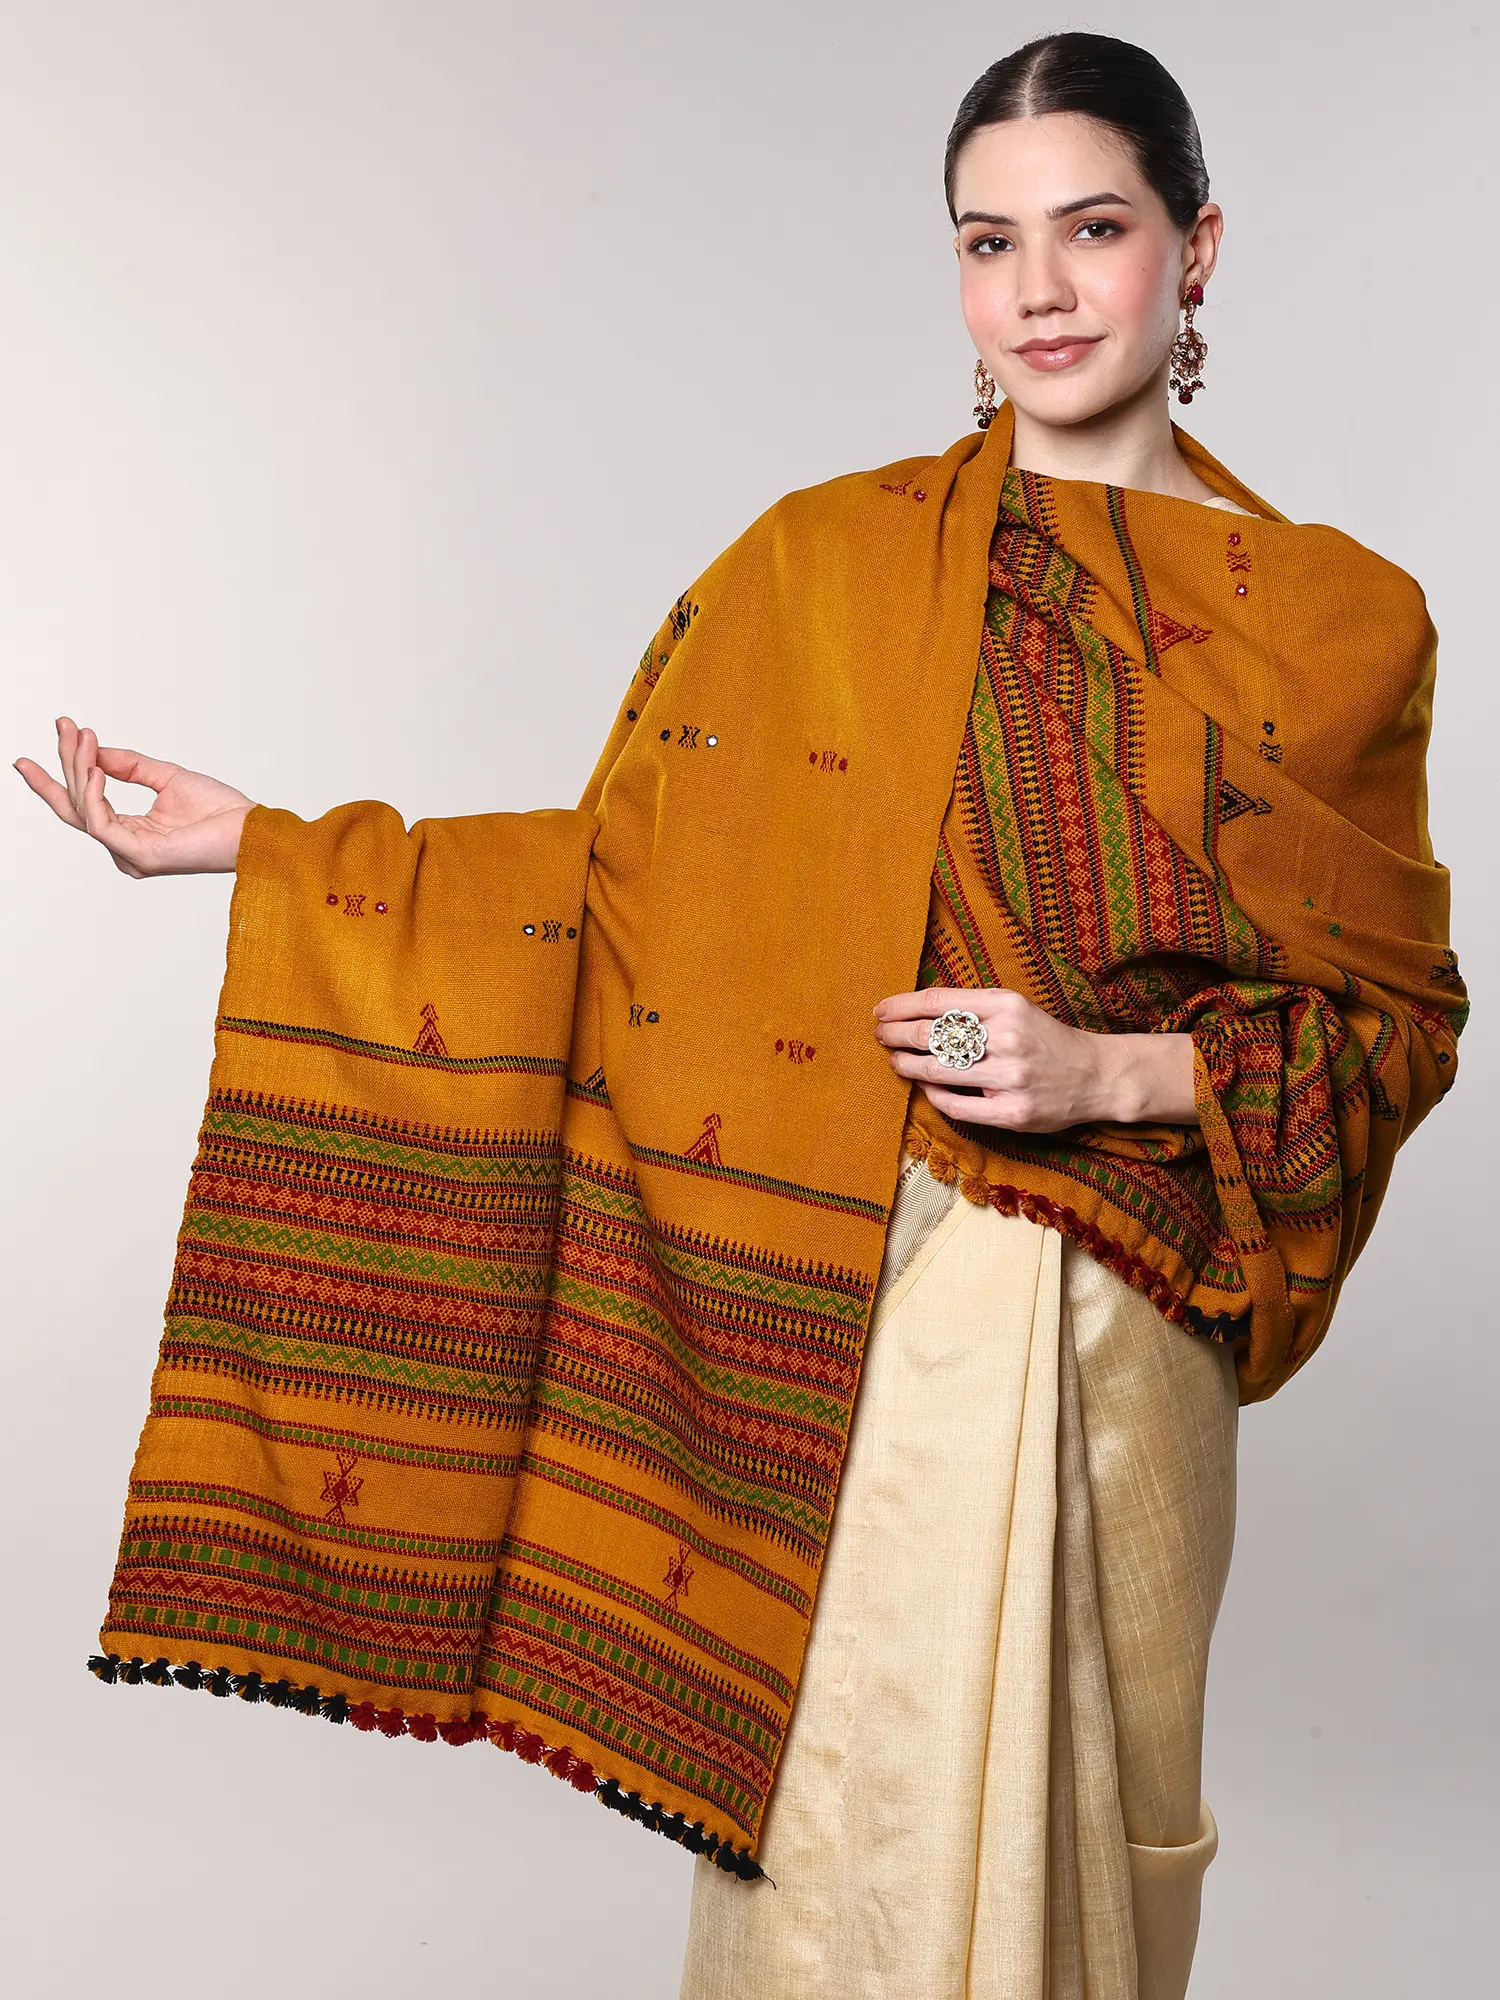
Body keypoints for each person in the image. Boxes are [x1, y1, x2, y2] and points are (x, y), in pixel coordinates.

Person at [15, 31, 1464, 2000]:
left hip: (1127, 1326)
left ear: (1197, 249)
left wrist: (1105, 1069)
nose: (1039, 290)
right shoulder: (823, 565)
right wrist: (267, 847)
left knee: (1090, 1843)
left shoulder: (1341, 623)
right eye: (989, 242)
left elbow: (1390, 1031)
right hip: (861, 1313)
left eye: (1094, 229)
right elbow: (632, 897)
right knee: (856, 1823)